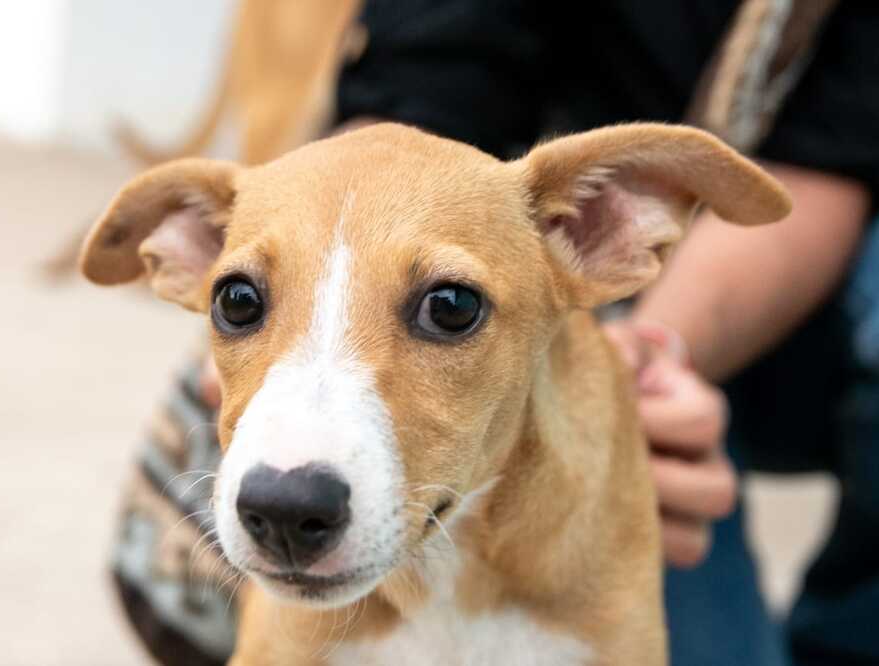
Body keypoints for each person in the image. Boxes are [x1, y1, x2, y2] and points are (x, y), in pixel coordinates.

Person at [111, 2, 879, 665]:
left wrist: (648, 360)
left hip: (803, 323)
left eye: (447, 309)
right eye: (241, 302)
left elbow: (824, 160)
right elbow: (422, 76)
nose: (288, 488)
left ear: (606, 227)